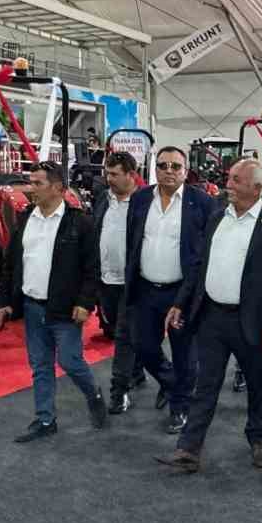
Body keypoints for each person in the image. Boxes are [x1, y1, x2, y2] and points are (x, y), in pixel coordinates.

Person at [155, 159, 262, 473]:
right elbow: (198, 266)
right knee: (206, 384)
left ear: (257, 188)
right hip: (212, 317)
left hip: (251, 321)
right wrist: (180, 303)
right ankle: (189, 449)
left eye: (236, 180)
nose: (228, 185)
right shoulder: (217, 217)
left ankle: (259, 440)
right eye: (229, 178)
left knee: (257, 384)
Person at [0, 161, 107, 442]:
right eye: (30, 182)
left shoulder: (80, 223)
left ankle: (94, 394)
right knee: (40, 366)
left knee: (70, 361)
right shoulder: (25, 219)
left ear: (58, 187)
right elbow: (11, 264)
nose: (30, 189)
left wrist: (85, 303)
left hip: (66, 309)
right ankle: (45, 419)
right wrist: (5, 300)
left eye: (38, 183)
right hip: (32, 307)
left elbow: (92, 268)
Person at [124, 145, 216, 434]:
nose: (169, 171)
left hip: (183, 292)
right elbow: (133, 241)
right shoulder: (140, 199)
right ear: (155, 169)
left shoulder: (202, 203)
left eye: (176, 166)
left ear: (186, 171)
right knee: (144, 347)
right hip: (146, 289)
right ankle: (173, 384)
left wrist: (192, 294)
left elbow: (205, 253)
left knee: (184, 353)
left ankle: (181, 407)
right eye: (163, 165)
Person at [95, 151, 144, 413]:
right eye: (107, 173)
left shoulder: (145, 203)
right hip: (106, 280)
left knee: (124, 336)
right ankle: (137, 370)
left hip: (133, 282)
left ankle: (119, 391)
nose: (109, 179)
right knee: (119, 330)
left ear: (131, 175)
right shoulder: (104, 199)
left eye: (114, 174)